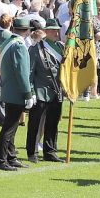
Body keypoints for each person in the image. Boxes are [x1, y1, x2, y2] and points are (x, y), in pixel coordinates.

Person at [0, 18, 35, 171]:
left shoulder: (8, 43)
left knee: (11, 126)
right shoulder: (19, 46)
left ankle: (10, 157)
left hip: (9, 89)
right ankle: (1, 160)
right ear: (27, 30)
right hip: (16, 92)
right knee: (9, 128)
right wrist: (27, 93)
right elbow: (22, 72)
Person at [27, 18, 65, 163]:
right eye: (53, 30)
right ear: (46, 31)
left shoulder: (61, 47)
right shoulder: (36, 48)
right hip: (41, 90)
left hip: (57, 90)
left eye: (57, 30)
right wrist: (31, 91)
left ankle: (50, 151)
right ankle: (32, 152)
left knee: (53, 123)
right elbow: (30, 72)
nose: (56, 32)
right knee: (35, 124)